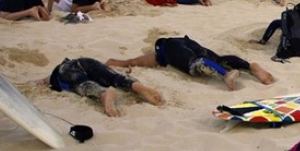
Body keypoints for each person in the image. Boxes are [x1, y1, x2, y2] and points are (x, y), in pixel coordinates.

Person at [105, 36, 273, 91]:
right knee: (218, 59)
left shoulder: (161, 52)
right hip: (188, 41)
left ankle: (225, 74)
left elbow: (135, 61)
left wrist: (118, 63)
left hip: (172, 44)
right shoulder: (167, 48)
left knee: (193, 64)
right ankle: (250, 67)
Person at [43, 57, 164, 117]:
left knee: (83, 85)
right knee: (114, 77)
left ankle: (102, 94)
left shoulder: (59, 74)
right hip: (87, 61)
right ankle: (135, 85)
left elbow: (42, 81)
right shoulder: (73, 63)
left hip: (67, 72)